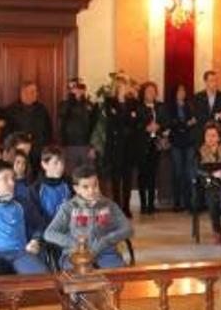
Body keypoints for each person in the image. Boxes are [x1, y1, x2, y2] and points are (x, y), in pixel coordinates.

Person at [45, 165, 133, 270]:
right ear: (76, 189)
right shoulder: (68, 208)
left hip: (105, 252)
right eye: (85, 187)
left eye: (95, 185)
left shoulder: (109, 205)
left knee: (117, 278)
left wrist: (105, 241)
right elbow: (49, 233)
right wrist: (75, 243)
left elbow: (128, 229)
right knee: (81, 278)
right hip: (76, 253)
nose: (91, 191)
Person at [102, 75, 138, 216]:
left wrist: (124, 117)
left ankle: (126, 207)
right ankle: (116, 207)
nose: (124, 89)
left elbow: (133, 122)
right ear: (117, 88)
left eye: (126, 86)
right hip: (115, 146)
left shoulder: (132, 102)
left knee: (128, 178)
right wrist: (127, 117)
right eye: (122, 86)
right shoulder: (109, 102)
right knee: (116, 179)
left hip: (129, 146)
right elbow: (114, 121)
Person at [135, 82, 167, 214]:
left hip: (155, 143)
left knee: (153, 174)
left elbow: (166, 121)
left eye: (154, 91)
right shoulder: (138, 107)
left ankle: (151, 204)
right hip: (142, 144)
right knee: (143, 175)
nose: (151, 94)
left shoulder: (160, 106)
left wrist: (160, 127)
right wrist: (145, 128)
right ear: (144, 93)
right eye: (149, 91)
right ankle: (143, 204)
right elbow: (135, 124)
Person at [195, 123, 221, 244]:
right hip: (207, 183)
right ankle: (217, 231)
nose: (210, 138)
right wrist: (212, 175)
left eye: (213, 136)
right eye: (208, 135)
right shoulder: (199, 151)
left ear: (219, 137)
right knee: (213, 197)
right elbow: (196, 170)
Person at [166, 83, 196, 211]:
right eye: (179, 90)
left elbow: (194, 121)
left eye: (184, 90)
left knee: (189, 172)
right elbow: (171, 124)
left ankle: (188, 201)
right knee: (177, 172)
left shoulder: (190, 105)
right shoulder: (170, 107)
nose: (182, 92)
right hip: (176, 143)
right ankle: (177, 202)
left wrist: (183, 125)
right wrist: (185, 124)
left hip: (189, 142)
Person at [6, 82, 52, 164]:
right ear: (24, 93)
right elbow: (8, 132)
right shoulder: (11, 110)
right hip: (19, 151)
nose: (36, 94)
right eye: (33, 92)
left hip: (39, 150)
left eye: (36, 91)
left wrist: (47, 146)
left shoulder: (42, 109)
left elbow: (48, 129)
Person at [58, 78, 96, 173]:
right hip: (69, 146)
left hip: (86, 146)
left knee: (87, 174)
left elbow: (94, 128)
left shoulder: (90, 105)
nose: (78, 90)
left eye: (80, 87)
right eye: (74, 88)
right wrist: (72, 98)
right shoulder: (64, 105)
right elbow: (62, 118)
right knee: (70, 175)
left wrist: (93, 146)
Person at [33, 146, 72, 221]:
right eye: (56, 163)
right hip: (46, 229)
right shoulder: (35, 189)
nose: (60, 167)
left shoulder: (70, 184)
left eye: (62, 162)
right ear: (44, 165)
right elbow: (36, 218)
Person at [192, 71, 221, 143]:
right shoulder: (197, 97)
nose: (215, 83)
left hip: (217, 136)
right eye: (212, 80)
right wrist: (217, 116)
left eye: (216, 80)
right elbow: (198, 116)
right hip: (201, 135)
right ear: (205, 82)